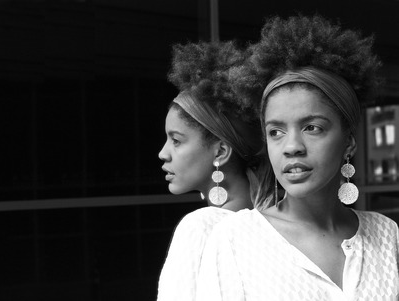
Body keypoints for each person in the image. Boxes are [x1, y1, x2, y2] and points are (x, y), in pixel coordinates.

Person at [195, 15, 399, 300]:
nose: (292, 147)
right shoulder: (234, 239)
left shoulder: (388, 235)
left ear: (349, 141)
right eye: (276, 132)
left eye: (312, 128)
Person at [156, 41, 274, 301]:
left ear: (220, 152)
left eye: (176, 140)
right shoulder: (277, 224)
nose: (163, 153)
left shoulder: (200, 228)